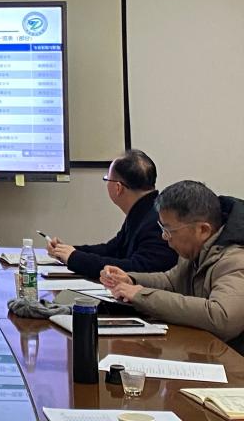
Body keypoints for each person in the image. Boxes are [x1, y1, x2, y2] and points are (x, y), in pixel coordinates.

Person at [102, 180, 244, 354]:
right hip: (206, 352)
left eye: (169, 230)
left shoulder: (236, 259)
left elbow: (221, 317)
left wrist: (142, 295)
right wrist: (131, 279)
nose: (164, 236)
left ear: (203, 230)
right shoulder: (196, 250)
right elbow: (171, 281)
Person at [46, 149, 177, 279]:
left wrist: (75, 258)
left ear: (118, 188)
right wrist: (68, 251)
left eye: (107, 179)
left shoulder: (157, 220)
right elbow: (112, 250)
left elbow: (138, 269)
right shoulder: (143, 210)